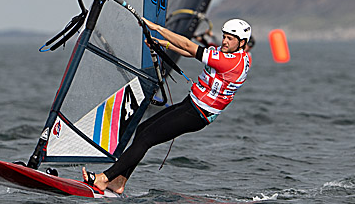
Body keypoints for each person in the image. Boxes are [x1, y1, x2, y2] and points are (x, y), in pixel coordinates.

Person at [82, 17, 252, 194]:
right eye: (224, 36)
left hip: (197, 113)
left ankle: (104, 178)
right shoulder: (238, 56)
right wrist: (161, 43)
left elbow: (188, 45)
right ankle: (119, 182)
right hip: (191, 105)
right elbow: (191, 52)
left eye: (230, 39)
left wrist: (157, 28)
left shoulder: (230, 62)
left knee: (146, 139)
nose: (224, 41)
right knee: (142, 130)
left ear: (241, 42)